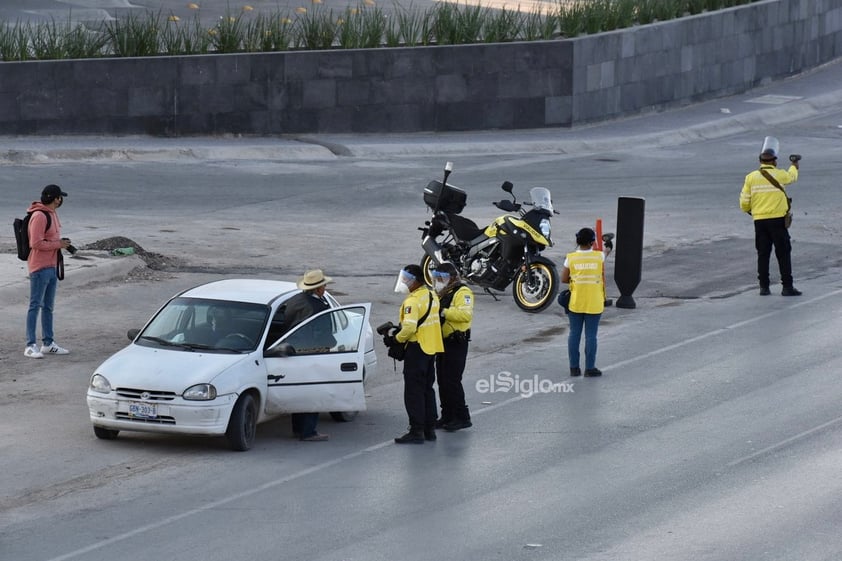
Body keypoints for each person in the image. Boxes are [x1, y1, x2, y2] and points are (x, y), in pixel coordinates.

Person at [385, 264, 443, 444]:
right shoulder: (432, 295)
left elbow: (409, 327)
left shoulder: (412, 301)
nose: (404, 282)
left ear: (416, 281)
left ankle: (416, 431)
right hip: (431, 348)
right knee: (427, 389)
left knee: (413, 392)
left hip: (417, 349)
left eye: (407, 279)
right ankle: (429, 429)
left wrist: (396, 340)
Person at [740, 140, 801, 296]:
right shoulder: (779, 174)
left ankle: (764, 287)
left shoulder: (750, 177)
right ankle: (787, 287)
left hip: (759, 221)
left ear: (760, 161)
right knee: (783, 253)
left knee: (763, 254)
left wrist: (750, 211)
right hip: (778, 221)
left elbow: (744, 202)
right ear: (774, 161)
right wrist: (794, 165)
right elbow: (791, 177)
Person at [282, 269, 335, 442]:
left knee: (300, 391)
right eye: (324, 285)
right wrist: (332, 344)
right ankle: (308, 431)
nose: (325, 288)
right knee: (314, 392)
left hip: (294, 351)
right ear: (318, 289)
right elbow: (323, 333)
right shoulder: (319, 307)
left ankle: (297, 428)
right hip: (313, 353)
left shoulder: (294, 300)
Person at [25, 184, 72, 359]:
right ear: (56, 199)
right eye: (61, 197)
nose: (61, 200)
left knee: (48, 307)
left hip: (51, 266)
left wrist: (60, 244)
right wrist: (58, 245)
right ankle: (30, 345)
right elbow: (35, 243)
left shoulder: (51, 213)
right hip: (39, 267)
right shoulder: (39, 215)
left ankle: (48, 343)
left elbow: (49, 239)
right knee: (35, 306)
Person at [432, 262, 474, 432]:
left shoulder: (463, 292)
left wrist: (443, 312)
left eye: (441, 279)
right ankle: (447, 415)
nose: (438, 282)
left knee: (452, 381)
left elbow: (465, 314)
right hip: (442, 342)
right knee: (442, 380)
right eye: (437, 278)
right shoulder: (442, 293)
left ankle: (462, 417)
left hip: (456, 342)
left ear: (451, 278)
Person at [561, 227, 608, 378]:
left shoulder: (571, 258)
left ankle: (574, 368)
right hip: (594, 303)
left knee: (574, 334)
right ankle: (590, 368)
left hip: (576, 302)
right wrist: (608, 245)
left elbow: (563, 279)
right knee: (591, 335)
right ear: (592, 242)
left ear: (577, 241)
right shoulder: (598, 256)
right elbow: (607, 252)